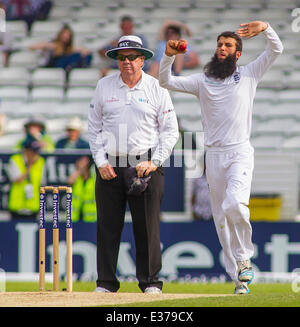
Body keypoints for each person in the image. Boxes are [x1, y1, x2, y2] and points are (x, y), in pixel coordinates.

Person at [158, 21, 283, 294]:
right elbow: (165, 81)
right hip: (213, 156)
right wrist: (168, 55)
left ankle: (244, 256)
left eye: (228, 45)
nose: (222, 49)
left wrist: (265, 28)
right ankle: (239, 280)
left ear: (238, 54)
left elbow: (276, 49)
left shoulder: (250, 73)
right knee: (221, 220)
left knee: (234, 205)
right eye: (219, 45)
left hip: (239, 151)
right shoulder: (202, 80)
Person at [88, 35, 179, 294]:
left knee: (148, 227)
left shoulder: (156, 87)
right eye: (122, 57)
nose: (127, 62)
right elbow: (94, 129)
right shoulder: (104, 86)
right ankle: (105, 283)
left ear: (142, 60)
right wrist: (101, 162)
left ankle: (150, 282)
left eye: (132, 57)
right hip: (110, 166)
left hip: (145, 164)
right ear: (117, 60)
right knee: (107, 226)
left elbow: (171, 131)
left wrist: (155, 161)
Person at [7, 137, 46, 219]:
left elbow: (42, 183)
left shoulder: (40, 161)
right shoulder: (15, 160)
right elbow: (18, 179)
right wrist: (29, 166)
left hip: (33, 205)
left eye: (36, 151)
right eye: (32, 151)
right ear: (25, 150)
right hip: (17, 206)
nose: (34, 154)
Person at [67, 156, 96, 222]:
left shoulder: (94, 179)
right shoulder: (76, 178)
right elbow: (70, 182)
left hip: (90, 218)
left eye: (83, 162)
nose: (80, 164)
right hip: (75, 217)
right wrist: (79, 170)